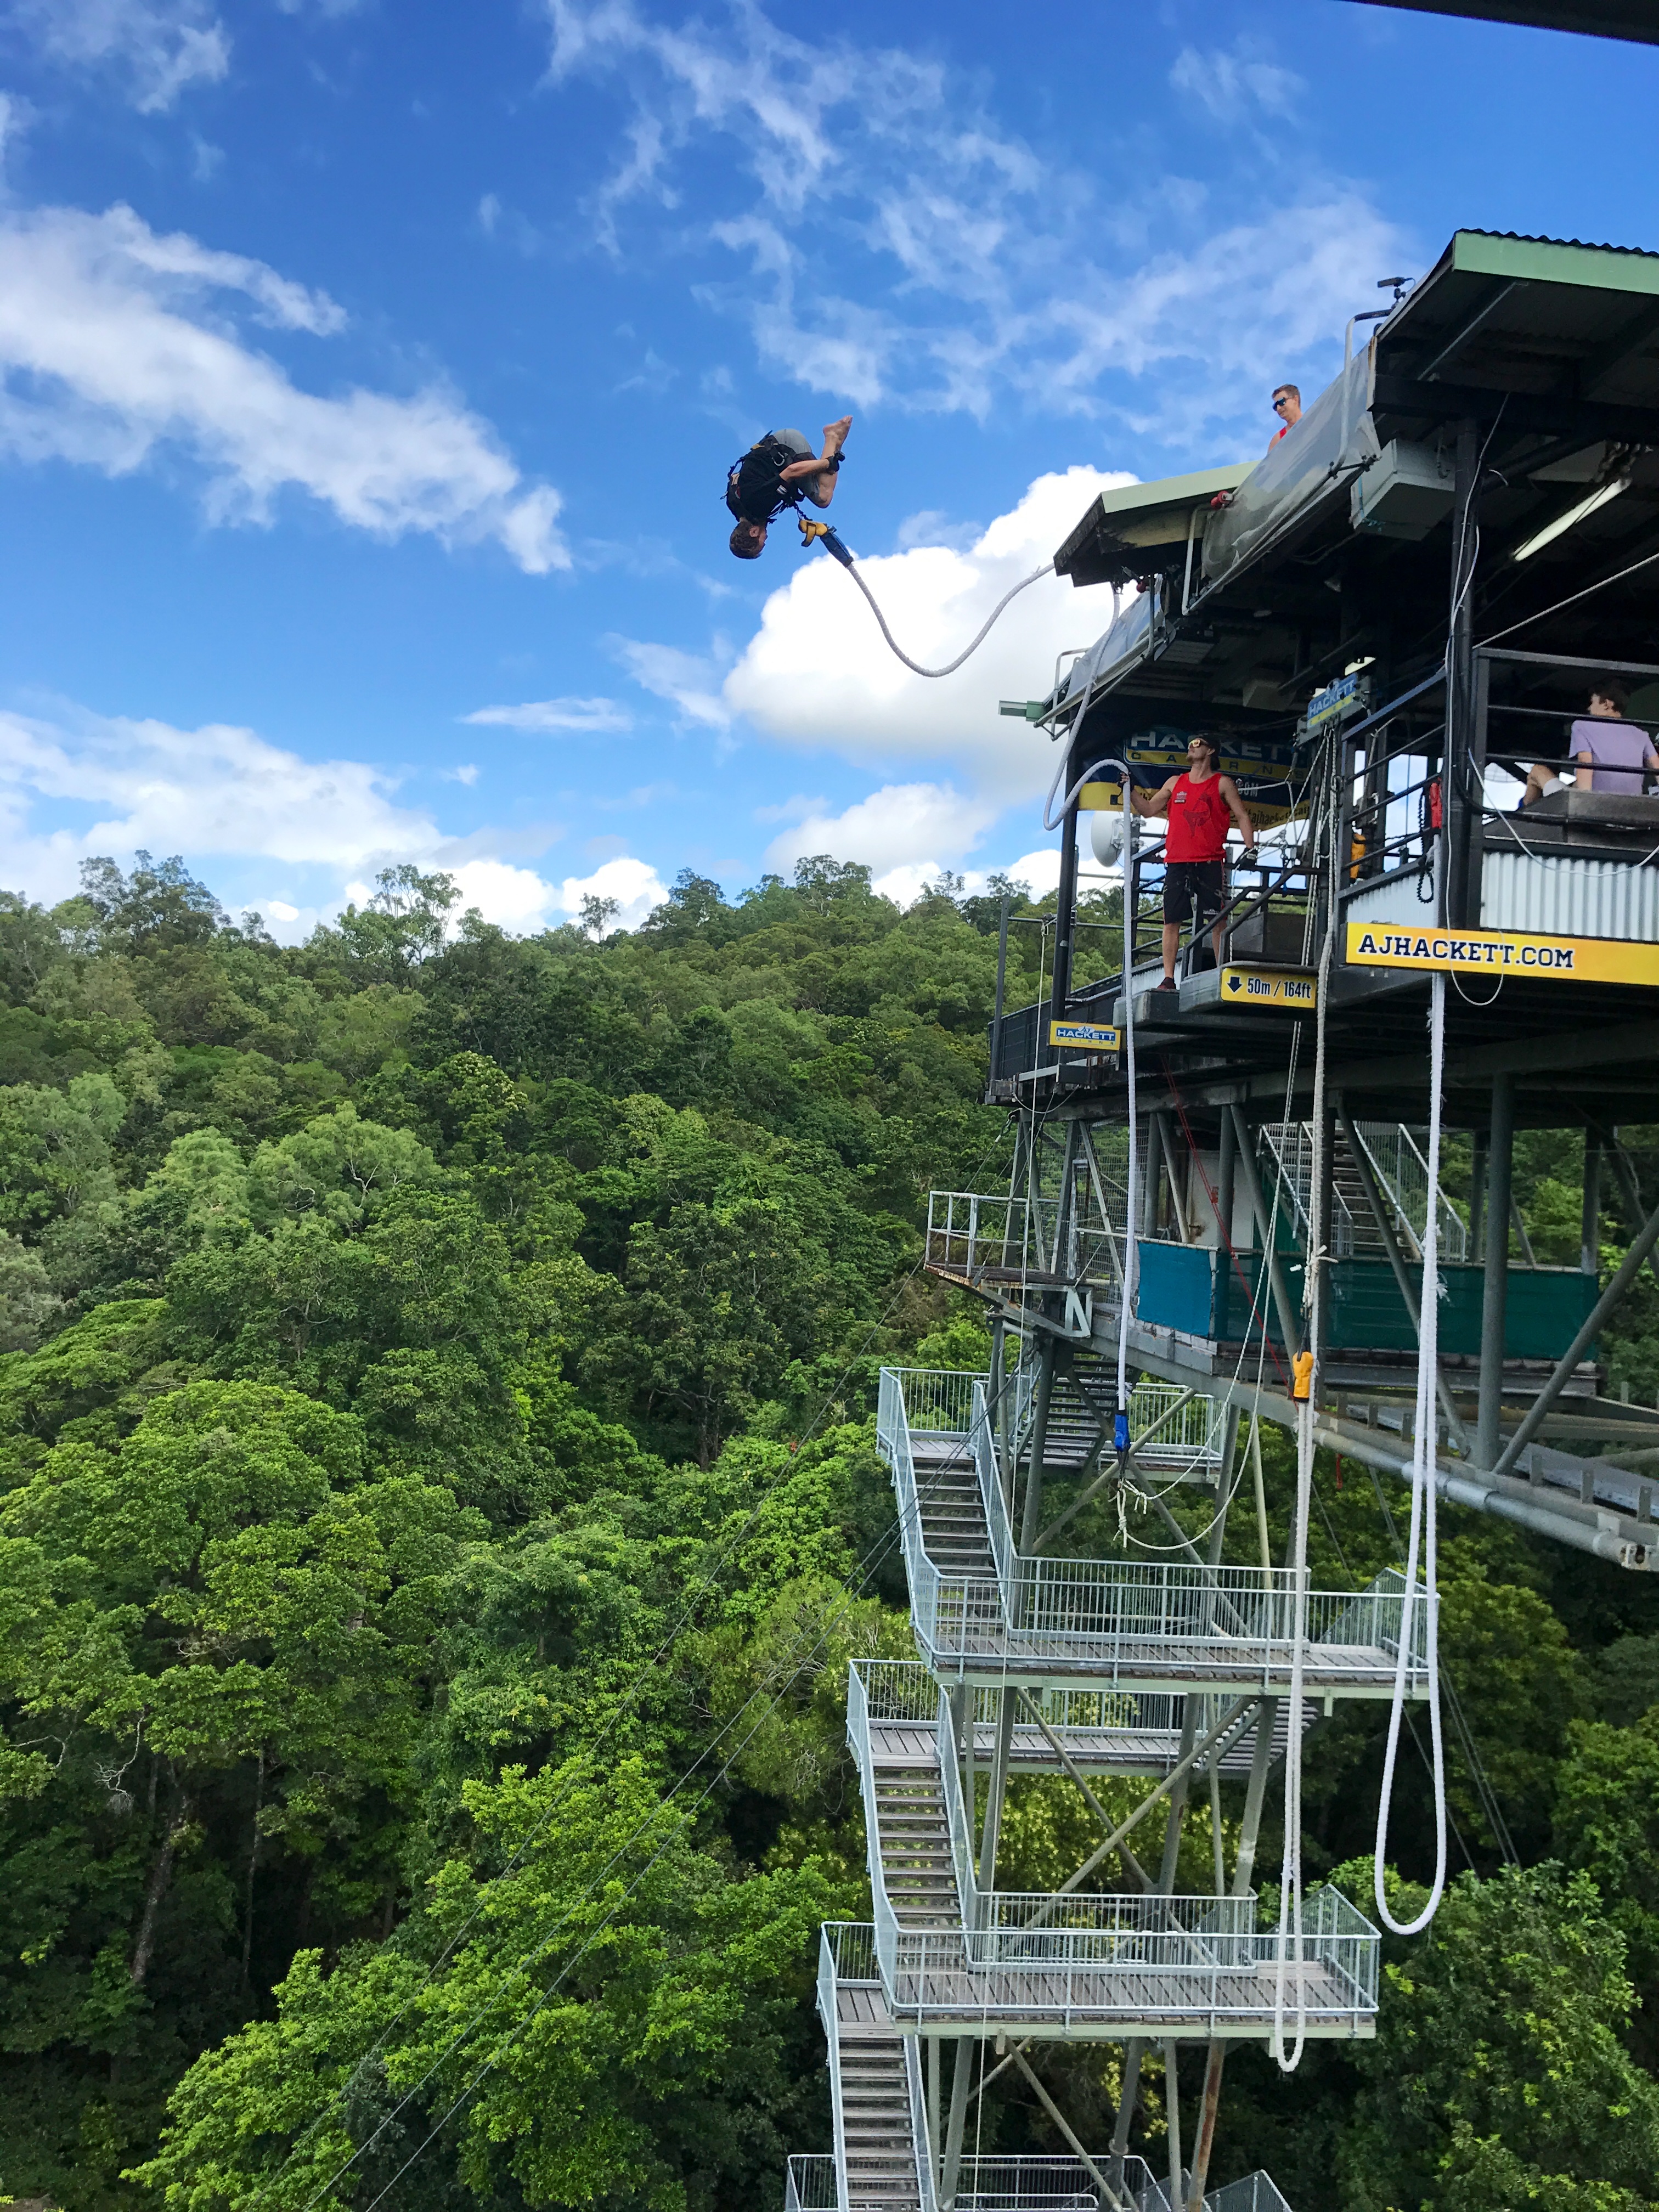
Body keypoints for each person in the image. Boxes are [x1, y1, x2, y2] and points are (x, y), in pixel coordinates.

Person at [1131, 735, 1257, 990]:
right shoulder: (1175, 782)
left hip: (1210, 860)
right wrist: (1129, 789)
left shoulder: (1222, 783)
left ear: (1210, 750)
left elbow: (1242, 815)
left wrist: (1250, 848)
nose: (1191, 746)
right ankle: (1169, 978)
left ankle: (1222, 970)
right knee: (1171, 920)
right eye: (1190, 743)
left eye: (1198, 743)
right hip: (1178, 861)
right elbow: (1147, 810)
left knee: (1217, 920)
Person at [726, 417, 851, 559]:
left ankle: (832, 437)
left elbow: (791, 472)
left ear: (754, 533)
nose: (767, 536)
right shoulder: (738, 507)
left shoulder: (757, 506)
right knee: (819, 484)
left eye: (764, 541)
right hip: (776, 448)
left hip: (786, 447)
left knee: (823, 497)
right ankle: (835, 442)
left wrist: (829, 464)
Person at [1269, 384, 1302, 449]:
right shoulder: (1278, 439)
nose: (1278, 408)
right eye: (1275, 406)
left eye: (1281, 402)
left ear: (1295, 399)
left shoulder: (1315, 421)